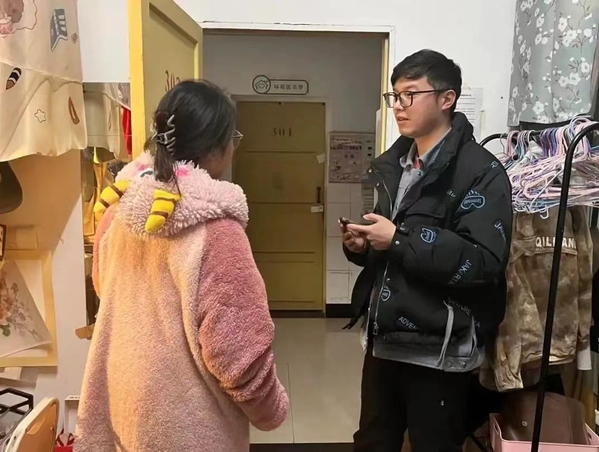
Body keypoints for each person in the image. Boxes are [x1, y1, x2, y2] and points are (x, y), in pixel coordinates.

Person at [75, 80, 289, 452]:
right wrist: (272, 410)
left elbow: (101, 287)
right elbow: (238, 353)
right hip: (190, 428)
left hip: (125, 411)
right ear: (218, 147)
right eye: (233, 137)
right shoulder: (216, 232)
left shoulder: (117, 212)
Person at [341, 50, 512, 451]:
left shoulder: (481, 172)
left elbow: (483, 261)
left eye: (411, 95)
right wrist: (364, 247)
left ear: (447, 98)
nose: (399, 106)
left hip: (440, 349)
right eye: (395, 96)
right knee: (373, 441)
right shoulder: (395, 165)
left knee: (434, 444)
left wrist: (398, 239)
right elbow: (392, 245)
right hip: (384, 340)